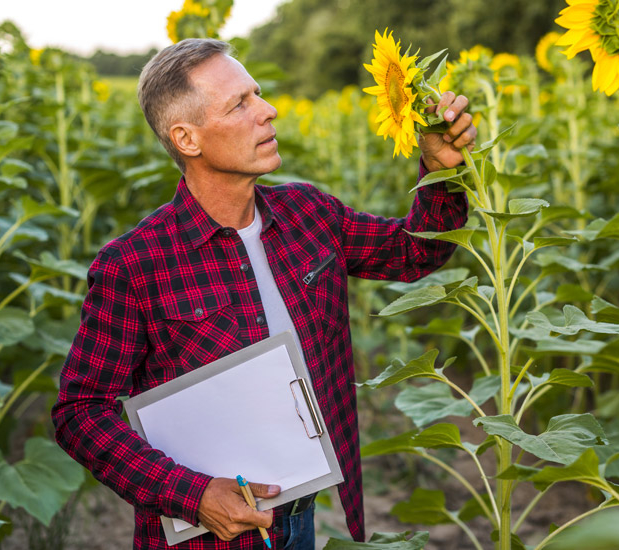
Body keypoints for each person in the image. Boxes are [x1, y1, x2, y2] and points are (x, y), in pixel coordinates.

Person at [52, 38, 476, 550]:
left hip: (301, 512)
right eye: (240, 104)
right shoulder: (136, 264)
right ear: (187, 138)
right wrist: (191, 493)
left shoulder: (309, 214)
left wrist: (442, 170)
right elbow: (80, 412)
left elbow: (413, 252)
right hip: (204, 535)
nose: (268, 111)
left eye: (258, 94)